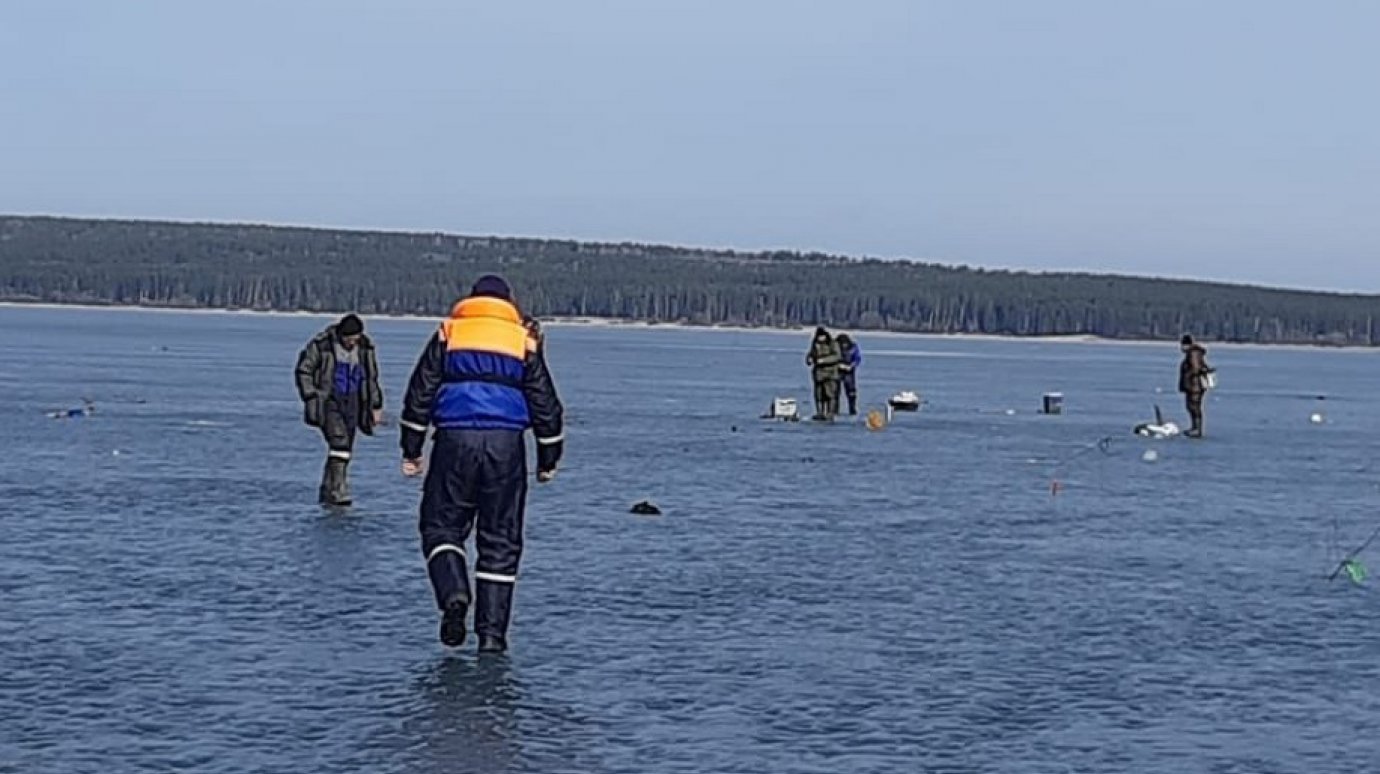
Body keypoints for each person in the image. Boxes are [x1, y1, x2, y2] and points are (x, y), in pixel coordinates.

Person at [399, 275, 565, 653]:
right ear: (509, 302)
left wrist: (411, 448)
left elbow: (419, 392)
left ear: (471, 300)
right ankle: (492, 637)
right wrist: (548, 458)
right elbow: (546, 405)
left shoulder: (449, 333)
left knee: (440, 527)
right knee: (501, 543)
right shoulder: (523, 341)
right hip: (506, 446)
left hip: (454, 441)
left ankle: (454, 592)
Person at [295, 313, 383, 506]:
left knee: (344, 449)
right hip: (329, 401)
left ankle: (327, 490)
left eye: (356, 339)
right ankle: (338, 490)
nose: (353, 343)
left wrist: (375, 405)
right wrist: (311, 395)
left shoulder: (365, 349)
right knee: (339, 443)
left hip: (354, 402)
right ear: (342, 335)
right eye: (350, 339)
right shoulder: (322, 345)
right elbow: (304, 370)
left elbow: (371, 378)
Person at [1178, 334, 1212, 438]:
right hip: (1193, 385)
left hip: (1195, 385)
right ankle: (1194, 428)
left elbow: (1195, 368)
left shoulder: (1193, 353)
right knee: (1191, 406)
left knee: (1194, 407)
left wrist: (1188, 376)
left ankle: (1197, 429)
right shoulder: (1193, 353)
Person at [805, 327, 843, 421]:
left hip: (830, 373)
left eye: (821, 337)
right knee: (819, 395)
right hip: (818, 374)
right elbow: (811, 354)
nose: (820, 339)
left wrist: (823, 360)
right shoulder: (815, 344)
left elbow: (837, 356)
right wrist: (809, 359)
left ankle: (830, 413)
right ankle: (819, 412)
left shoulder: (833, 344)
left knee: (830, 394)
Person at [836, 333, 862, 416]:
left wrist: (851, 366)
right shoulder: (835, 347)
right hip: (837, 371)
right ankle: (835, 409)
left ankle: (852, 408)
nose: (844, 346)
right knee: (835, 391)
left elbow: (857, 358)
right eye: (842, 344)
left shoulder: (853, 347)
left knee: (851, 391)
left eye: (845, 344)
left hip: (849, 371)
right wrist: (838, 365)